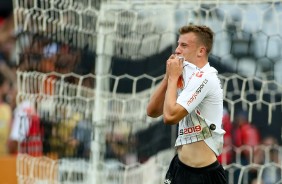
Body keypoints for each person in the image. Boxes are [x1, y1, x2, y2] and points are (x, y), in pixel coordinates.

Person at [146, 25, 227, 184]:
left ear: (201, 51)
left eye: (183, 45)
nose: (177, 50)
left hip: (204, 176)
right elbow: (152, 111)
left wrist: (173, 78)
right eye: (178, 44)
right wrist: (168, 77)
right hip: (179, 169)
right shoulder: (183, 76)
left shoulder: (206, 78)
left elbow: (169, 117)